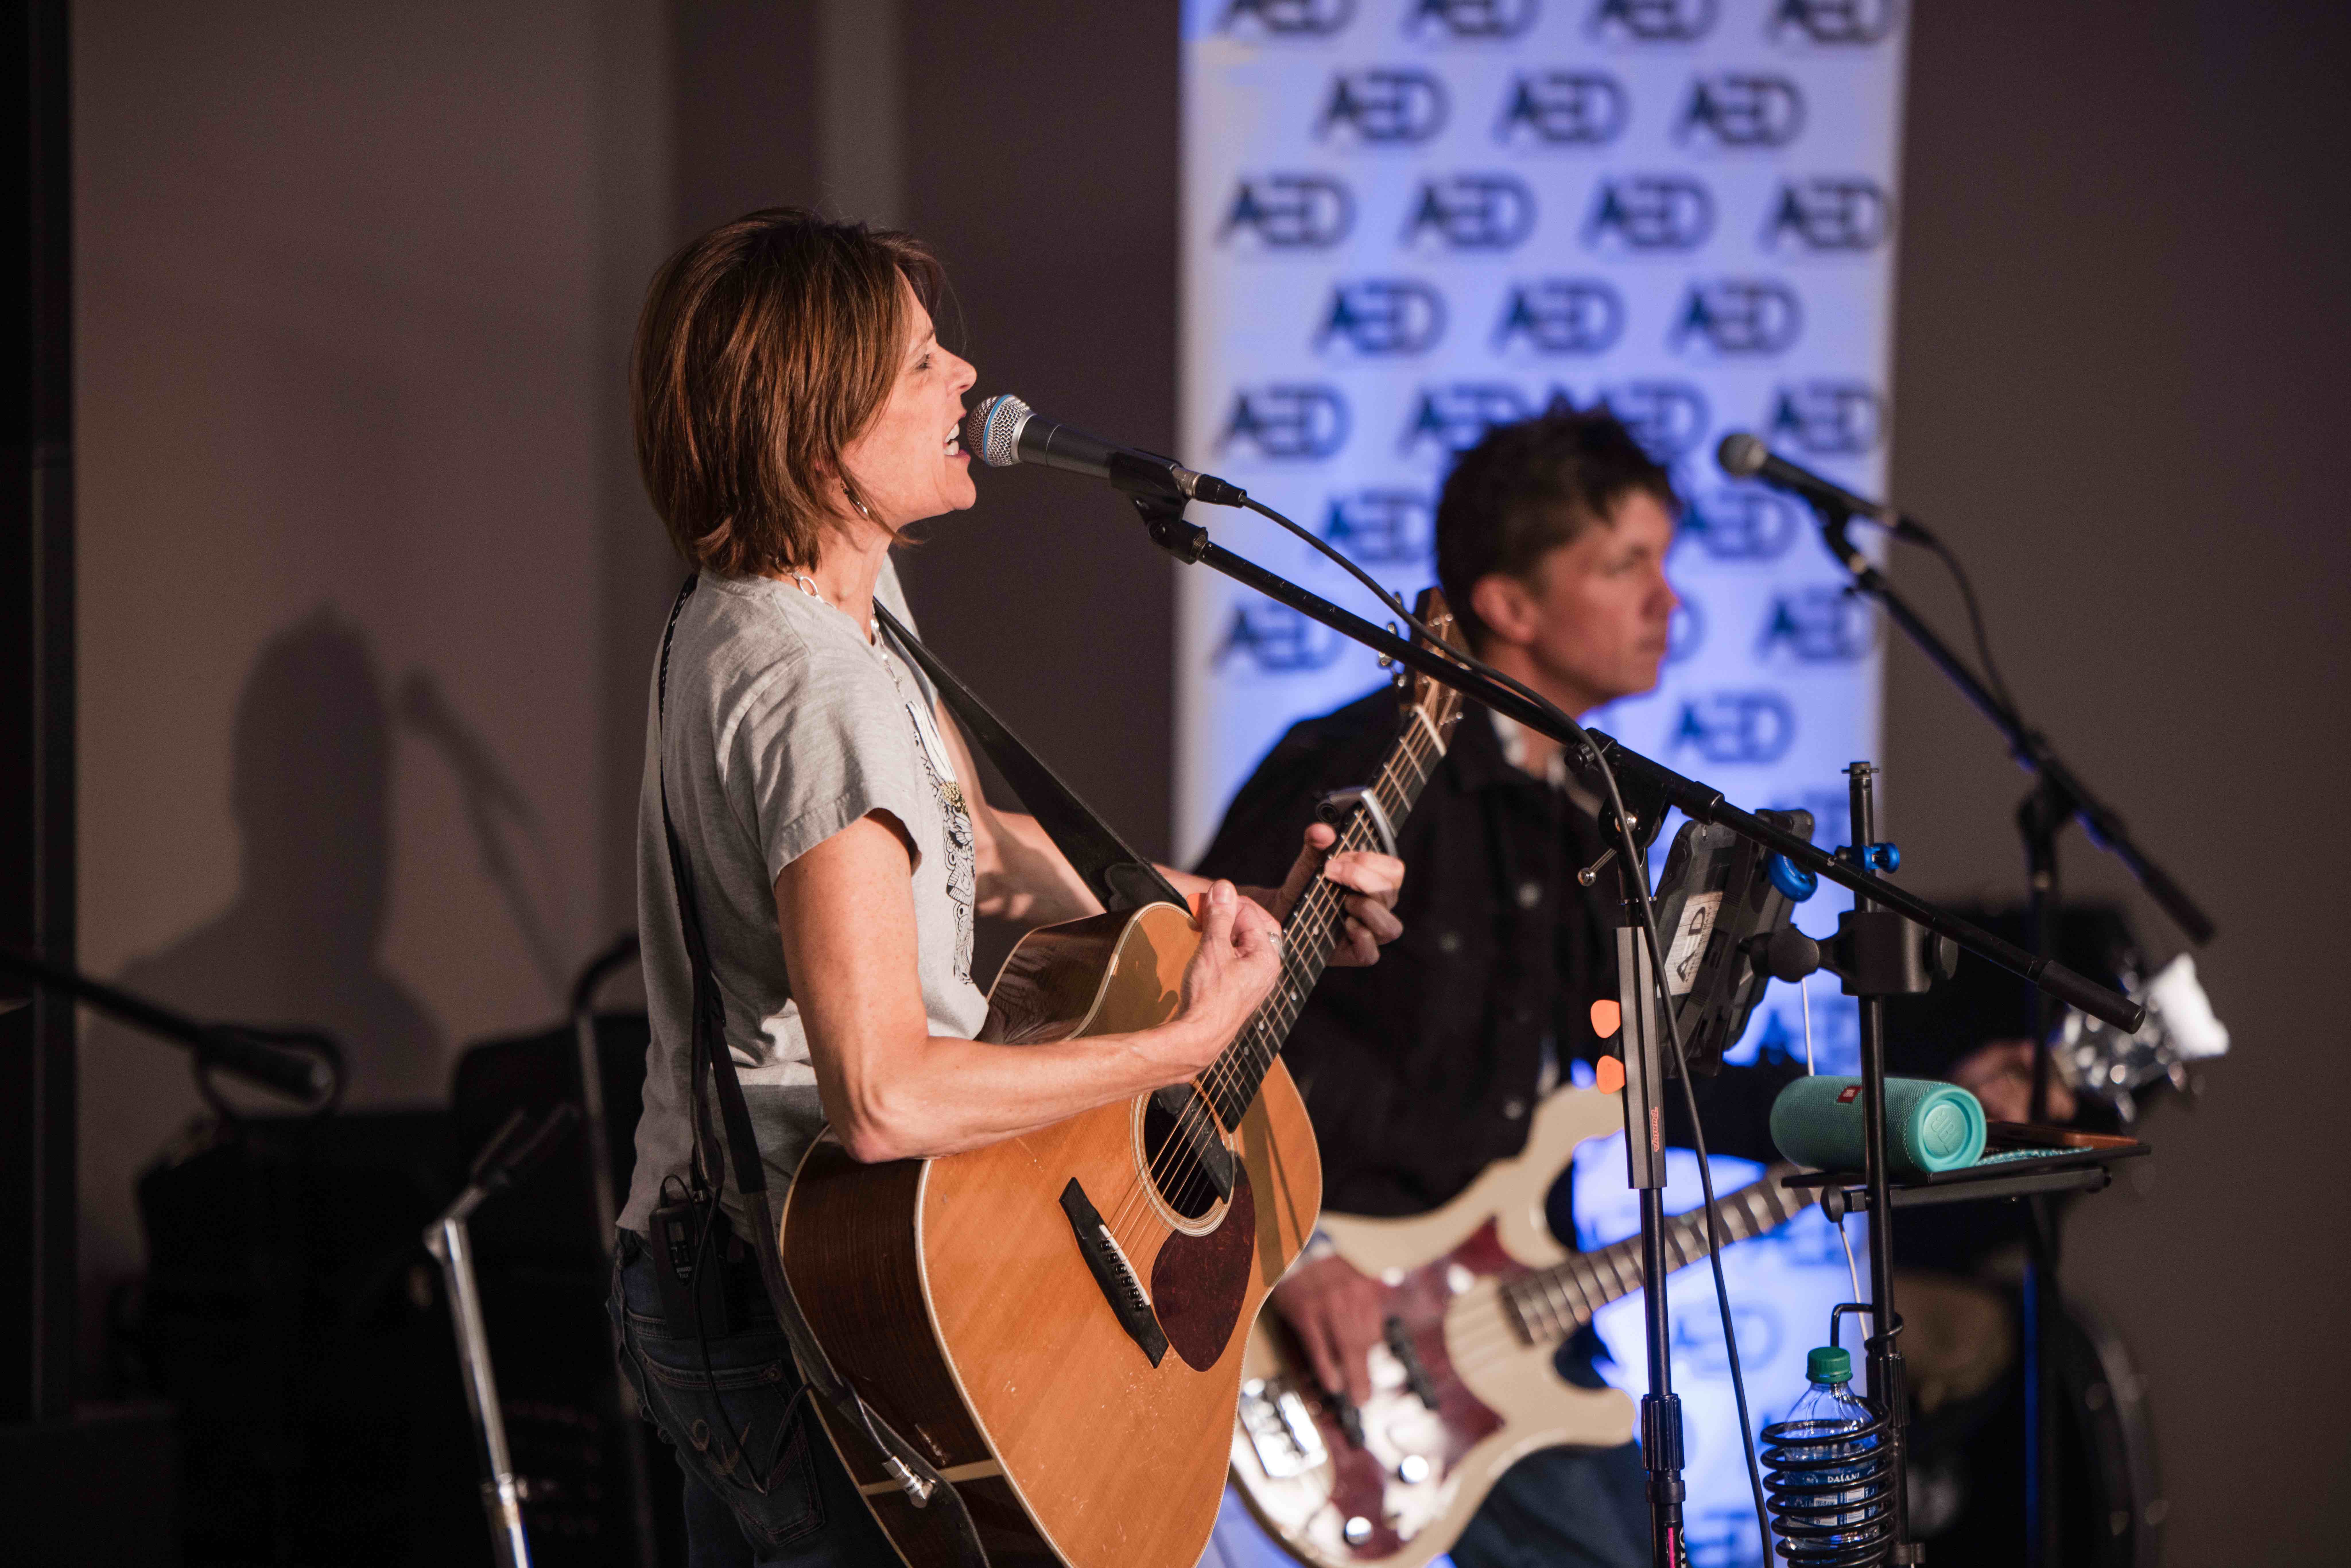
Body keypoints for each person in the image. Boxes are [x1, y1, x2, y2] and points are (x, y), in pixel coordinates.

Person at [608, 208, 1407, 1567]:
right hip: (804, 1287)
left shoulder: (821, 602)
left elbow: (977, 843)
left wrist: (1231, 908)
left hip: (815, 1273)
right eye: (919, 366)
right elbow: (887, 1095)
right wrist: (1184, 1041)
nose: (967, 381)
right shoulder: (814, 688)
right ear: (817, 439)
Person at [1196, 408, 2051, 1568]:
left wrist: (1907, 1106)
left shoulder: (1600, 813)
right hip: (1312, 1320)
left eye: (1664, 562)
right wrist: (1299, 1257)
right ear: (1507, 605)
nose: (1668, 600)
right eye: (1623, 565)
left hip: (1505, 1326)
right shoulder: (1352, 769)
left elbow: (1651, 1076)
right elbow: (1203, 1026)